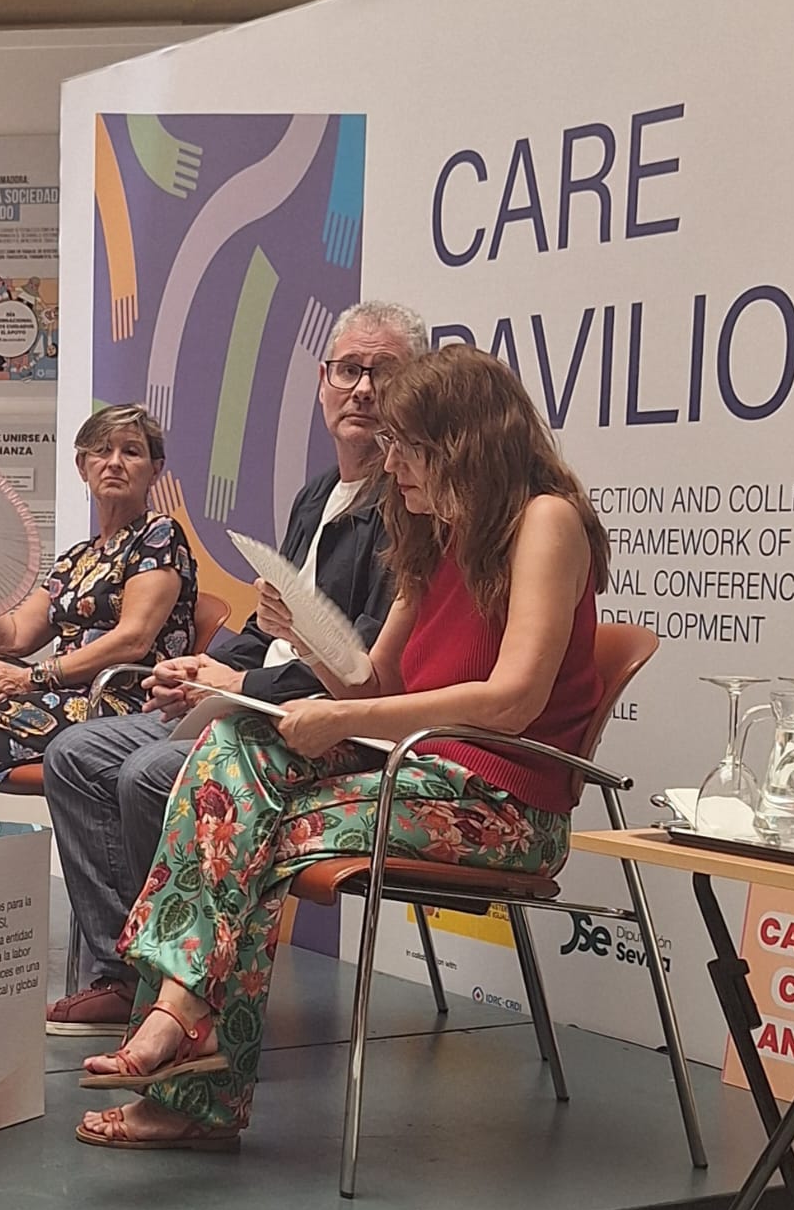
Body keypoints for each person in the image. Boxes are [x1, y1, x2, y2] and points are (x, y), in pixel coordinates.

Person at [76, 345, 609, 1151]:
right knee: (233, 749)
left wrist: (338, 718)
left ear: (461, 442)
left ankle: (188, 1067)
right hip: (418, 773)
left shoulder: (545, 520)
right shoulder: (435, 535)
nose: (391, 467)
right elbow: (374, 683)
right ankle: (182, 1024)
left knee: (251, 830)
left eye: (406, 448)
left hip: (502, 805)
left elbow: (513, 701)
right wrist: (306, 640)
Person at [40, 300, 426, 1036]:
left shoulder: (408, 505)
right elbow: (266, 625)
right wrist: (201, 666)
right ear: (322, 380)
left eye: (384, 372)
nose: (363, 390)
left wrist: (240, 685)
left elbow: (363, 662)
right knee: (75, 755)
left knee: (150, 772)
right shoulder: (317, 494)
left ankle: (183, 989)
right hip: (256, 697)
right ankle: (124, 972)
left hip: (318, 717)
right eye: (348, 370)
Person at [0, 404, 197, 814]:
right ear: (82, 466)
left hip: (122, 701)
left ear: (155, 469)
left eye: (131, 452)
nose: (114, 462)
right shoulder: (76, 558)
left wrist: (31, 678)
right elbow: (12, 639)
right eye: (101, 451)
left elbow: (133, 640)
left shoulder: (158, 533)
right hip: (64, 694)